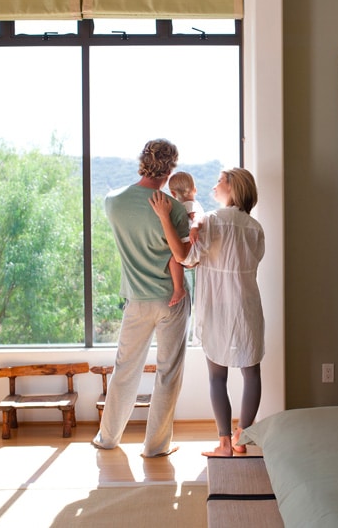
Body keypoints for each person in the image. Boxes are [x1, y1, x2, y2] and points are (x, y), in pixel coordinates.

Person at [149, 168, 265, 457]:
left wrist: (165, 218)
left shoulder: (211, 221)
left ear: (233, 187)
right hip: (247, 307)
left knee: (217, 377)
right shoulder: (255, 228)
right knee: (252, 374)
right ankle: (242, 438)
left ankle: (225, 444)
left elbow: (185, 257)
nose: (214, 185)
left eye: (220, 180)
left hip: (216, 308)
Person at [92, 138, 192, 458]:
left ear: (142, 161)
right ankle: (156, 446)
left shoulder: (112, 201)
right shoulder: (173, 209)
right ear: (170, 168)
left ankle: (108, 438)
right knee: (168, 372)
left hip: (136, 300)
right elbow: (181, 256)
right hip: (170, 300)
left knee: (125, 370)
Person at [166, 171, 205, 307]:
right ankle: (180, 288)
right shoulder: (191, 204)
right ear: (195, 189)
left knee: (172, 259)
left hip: (190, 245)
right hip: (193, 247)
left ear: (172, 193)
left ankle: (178, 289)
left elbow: (198, 218)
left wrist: (194, 228)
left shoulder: (190, 205)